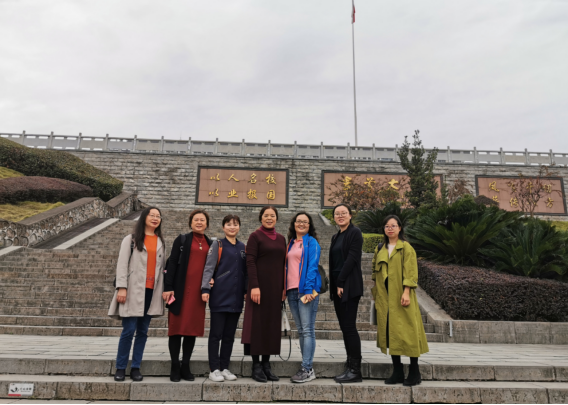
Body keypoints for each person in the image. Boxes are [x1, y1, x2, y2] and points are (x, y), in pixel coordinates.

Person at [109, 206, 166, 382]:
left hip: (151, 291)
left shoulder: (160, 242)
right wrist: (122, 287)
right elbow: (122, 264)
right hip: (133, 290)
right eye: (152, 215)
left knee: (143, 331)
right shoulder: (131, 239)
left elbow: (162, 269)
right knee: (128, 330)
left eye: (158, 216)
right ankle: (120, 367)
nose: (155, 218)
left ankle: (135, 367)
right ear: (144, 218)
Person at [372, 215, 429, 387]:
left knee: (409, 331)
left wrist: (406, 292)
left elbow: (411, 272)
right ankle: (397, 371)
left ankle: (414, 371)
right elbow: (375, 272)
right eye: (387, 226)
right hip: (385, 298)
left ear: (400, 228)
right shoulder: (380, 248)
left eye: (393, 226)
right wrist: (376, 292)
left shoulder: (406, 248)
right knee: (390, 333)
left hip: (402, 296)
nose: (390, 229)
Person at [163, 209, 211, 382]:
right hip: (180, 290)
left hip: (198, 293)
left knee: (191, 330)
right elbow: (172, 263)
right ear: (190, 223)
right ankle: (175, 365)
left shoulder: (210, 243)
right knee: (176, 329)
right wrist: (168, 287)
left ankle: (185, 365)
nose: (199, 222)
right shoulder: (182, 240)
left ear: (207, 224)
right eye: (196, 219)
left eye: (202, 220)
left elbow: (212, 267)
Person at [241, 206, 287, 383]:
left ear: (276, 218)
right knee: (257, 325)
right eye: (266, 215)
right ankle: (256, 366)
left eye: (272, 215)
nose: (269, 218)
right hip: (258, 288)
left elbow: (283, 264)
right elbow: (250, 262)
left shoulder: (281, 238)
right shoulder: (255, 236)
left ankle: (267, 365)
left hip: (275, 289)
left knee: (271, 325)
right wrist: (254, 286)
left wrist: (283, 287)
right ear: (261, 218)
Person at [201, 214, 247, 382]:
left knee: (229, 336)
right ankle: (214, 369)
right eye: (228, 224)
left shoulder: (243, 247)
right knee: (216, 335)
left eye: (235, 224)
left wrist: (246, 290)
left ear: (239, 227)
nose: (232, 227)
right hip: (219, 296)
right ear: (223, 227)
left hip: (236, 297)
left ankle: (224, 367)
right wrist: (205, 288)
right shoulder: (218, 244)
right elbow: (209, 267)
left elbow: (246, 272)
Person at [329, 204, 364, 383]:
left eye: (344, 213)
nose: (340, 216)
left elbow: (351, 259)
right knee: (344, 327)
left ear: (350, 215)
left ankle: (355, 370)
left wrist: (341, 282)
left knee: (349, 327)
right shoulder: (336, 236)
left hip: (348, 285)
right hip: (338, 286)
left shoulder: (355, 233)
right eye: (337, 213)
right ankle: (350, 364)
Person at [286, 212, 322, 384]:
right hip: (292, 291)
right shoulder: (291, 243)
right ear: (294, 224)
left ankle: (307, 368)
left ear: (309, 225)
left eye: (305, 222)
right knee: (300, 330)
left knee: (307, 330)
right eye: (298, 221)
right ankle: (305, 365)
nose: (301, 224)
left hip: (306, 291)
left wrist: (308, 289)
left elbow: (313, 267)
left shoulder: (312, 242)